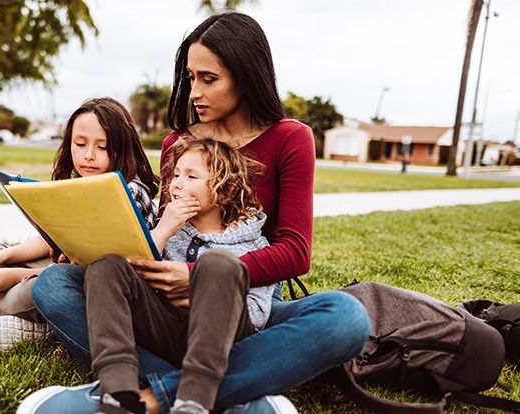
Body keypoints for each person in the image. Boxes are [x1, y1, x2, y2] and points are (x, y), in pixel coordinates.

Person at [22, 11, 371, 414]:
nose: (194, 93)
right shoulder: (178, 144)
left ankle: (153, 398)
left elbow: (295, 251)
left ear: (246, 75)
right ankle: (231, 396)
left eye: (209, 79)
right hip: (164, 296)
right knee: (54, 284)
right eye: (190, 78)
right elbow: (161, 234)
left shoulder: (290, 138)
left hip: (246, 295)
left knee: (345, 317)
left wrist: (197, 278)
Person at [75, 137, 289, 414]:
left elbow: (258, 315)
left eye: (191, 176)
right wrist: (163, 230)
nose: (176, 183)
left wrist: (202, 298)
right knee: (106, 264)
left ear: (225, 191)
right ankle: (119, 394)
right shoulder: (170, 231)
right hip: (166, 332)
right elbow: (130, 273)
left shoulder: (254, 245)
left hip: (223, 342)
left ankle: (194, 401)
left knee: (218, 264)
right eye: (176, 174)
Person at [0, 97, 159, 351]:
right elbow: (53, 239)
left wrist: (17, 276)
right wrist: (4, 257)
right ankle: (41, 322)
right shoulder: (81, 182)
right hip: (65, 268)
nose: (88, 156)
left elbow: (91, 270)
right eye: (80, 144)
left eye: (102, 147)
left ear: (121, 147)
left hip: (99, 287)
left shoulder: (129, 191)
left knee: (37, 286)